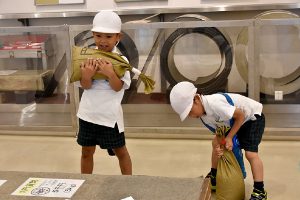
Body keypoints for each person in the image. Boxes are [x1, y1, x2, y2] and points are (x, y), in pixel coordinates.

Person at [169, 81, 267, 200]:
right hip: (235, 121)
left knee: (250, 153)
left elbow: (240, 116)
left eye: (190, 111)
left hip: (252, 118)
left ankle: (259, 190)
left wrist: (230, 138)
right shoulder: (203, 117)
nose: (191, 116)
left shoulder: (215, 104)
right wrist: (221, 146)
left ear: (196, 99)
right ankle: (214, 174)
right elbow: (220, 132)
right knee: (215, 143)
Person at [75, 10, 132, 175]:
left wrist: (110, 73)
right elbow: (85, 86)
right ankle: (86, 182)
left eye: (108, 36)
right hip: (88, 114)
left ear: (118, 37)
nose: (103, 41)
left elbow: (118, 87)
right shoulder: (86, 57)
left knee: (121, 152)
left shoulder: (122, 61)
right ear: (93, 35)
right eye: (98, 36)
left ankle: (129, 183)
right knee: (86, 152)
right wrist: (86, 75)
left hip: (110, 117)